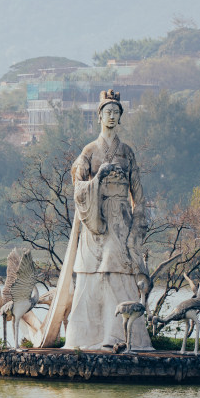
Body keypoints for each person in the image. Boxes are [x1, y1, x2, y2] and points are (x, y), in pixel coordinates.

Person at [64, 89, 153, 350]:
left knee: (118, 271)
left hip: (121, 220)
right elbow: (78, 187)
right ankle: (83, 339)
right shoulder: (90, 151)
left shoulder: (127, 152)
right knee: (90, 276)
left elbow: (139, 193)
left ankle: (118, 337)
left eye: (116, 112)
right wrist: (99, 177)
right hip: (96, 218)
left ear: (121, 117)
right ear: (99, 117)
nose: (111, 116)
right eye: (107, 112)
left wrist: (138, 224)